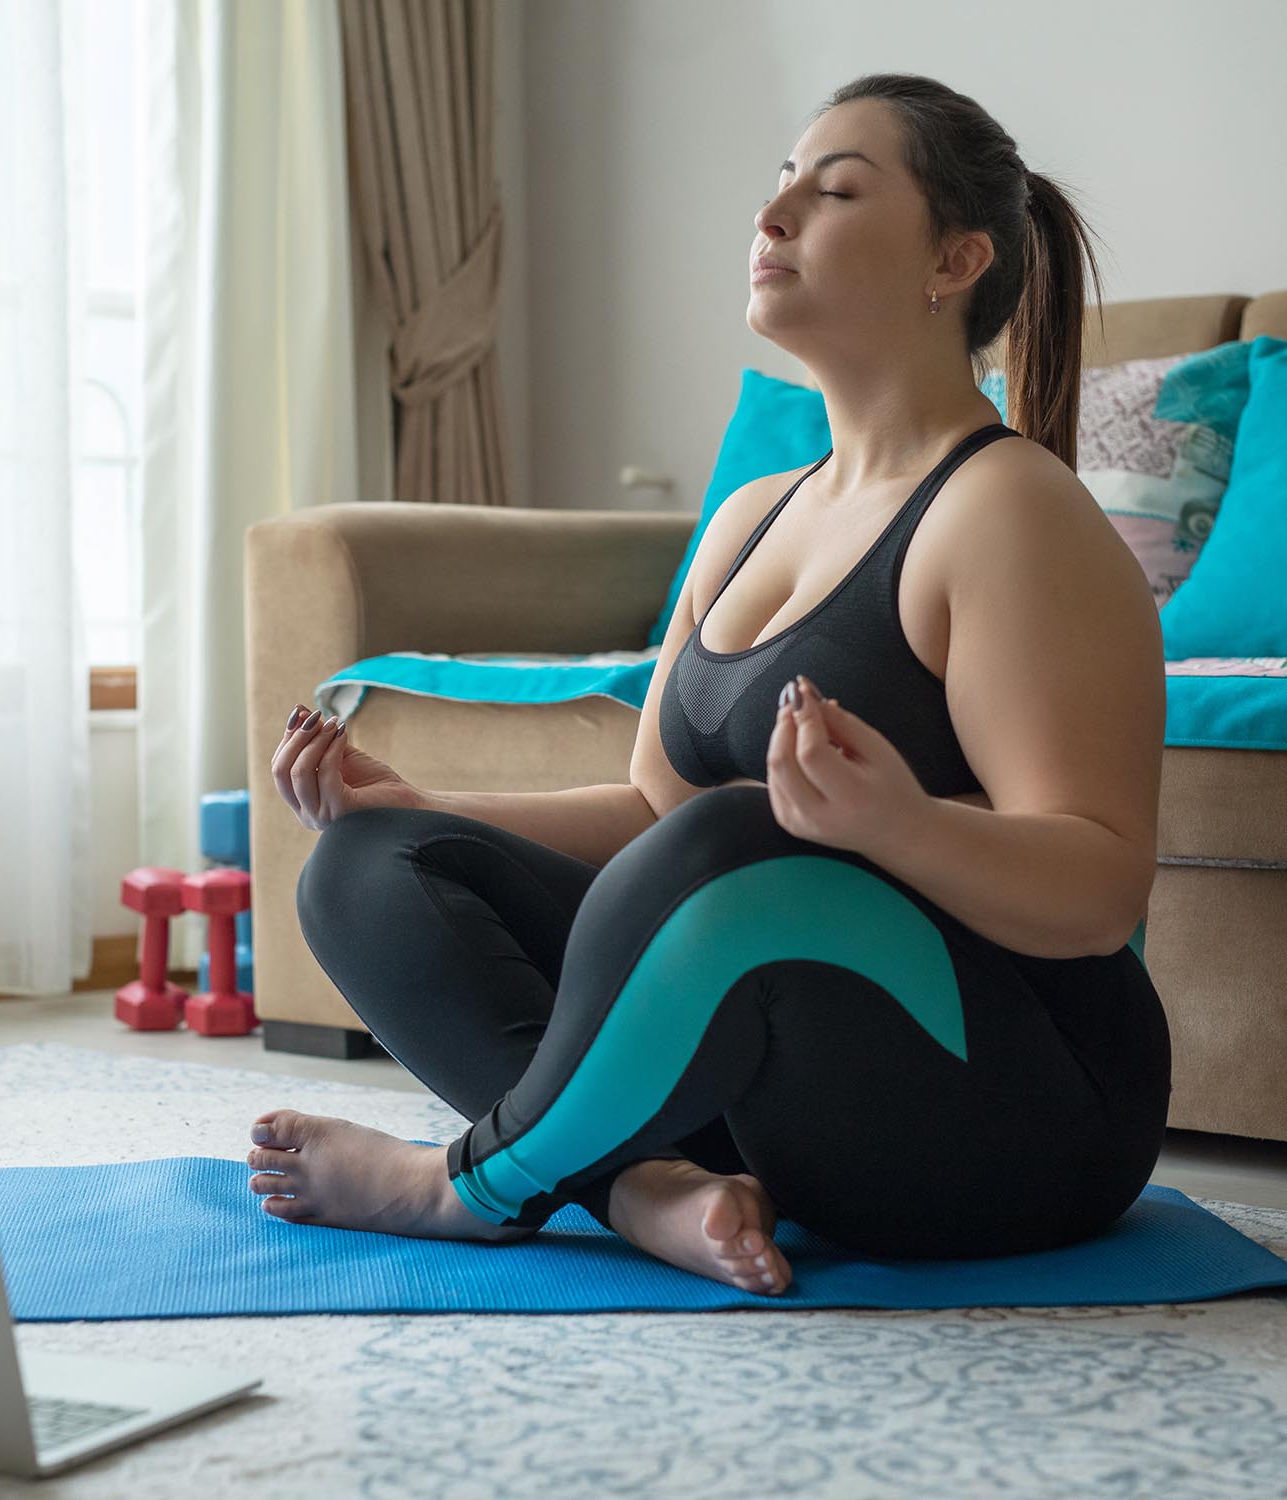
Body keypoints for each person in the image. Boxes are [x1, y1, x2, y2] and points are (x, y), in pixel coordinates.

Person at [244, 73, 1171, 1297]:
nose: (775, 217)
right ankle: (644, 1189)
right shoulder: (748, 521)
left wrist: (899, 827)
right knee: (371, 865)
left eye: (834, 190)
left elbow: (1099, 889)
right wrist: (419, 802)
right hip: (791, 1101)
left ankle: (465, 1186)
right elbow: (654, 825)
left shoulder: (1006, 508)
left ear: (955, 260)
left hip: (1013, 1115)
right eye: (775, 188)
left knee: (749, 843)